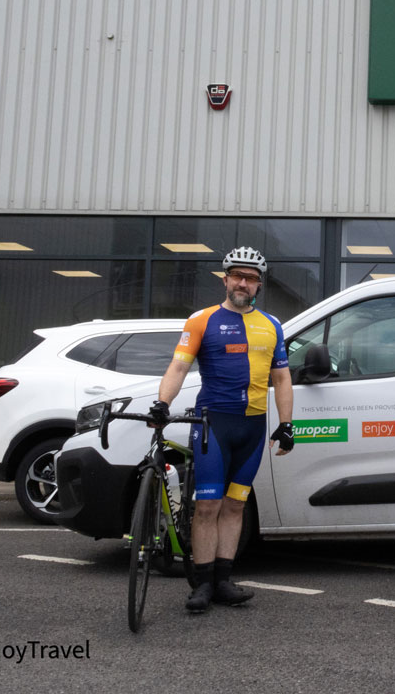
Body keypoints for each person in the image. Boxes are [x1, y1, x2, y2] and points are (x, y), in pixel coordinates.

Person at [148, 246, 295, 613]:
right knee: (208, 504)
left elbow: (282, 378)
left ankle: (224, 580)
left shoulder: (272, 325)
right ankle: (202, 583)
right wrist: (162, 402)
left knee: (235, 504)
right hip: (213, 423)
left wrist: (286, 424)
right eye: (237, 276)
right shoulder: (202, 320)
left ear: (259, 285)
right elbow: (178, 366)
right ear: (225, 280)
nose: (243, 283)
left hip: (253, 426)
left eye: (251, 278)